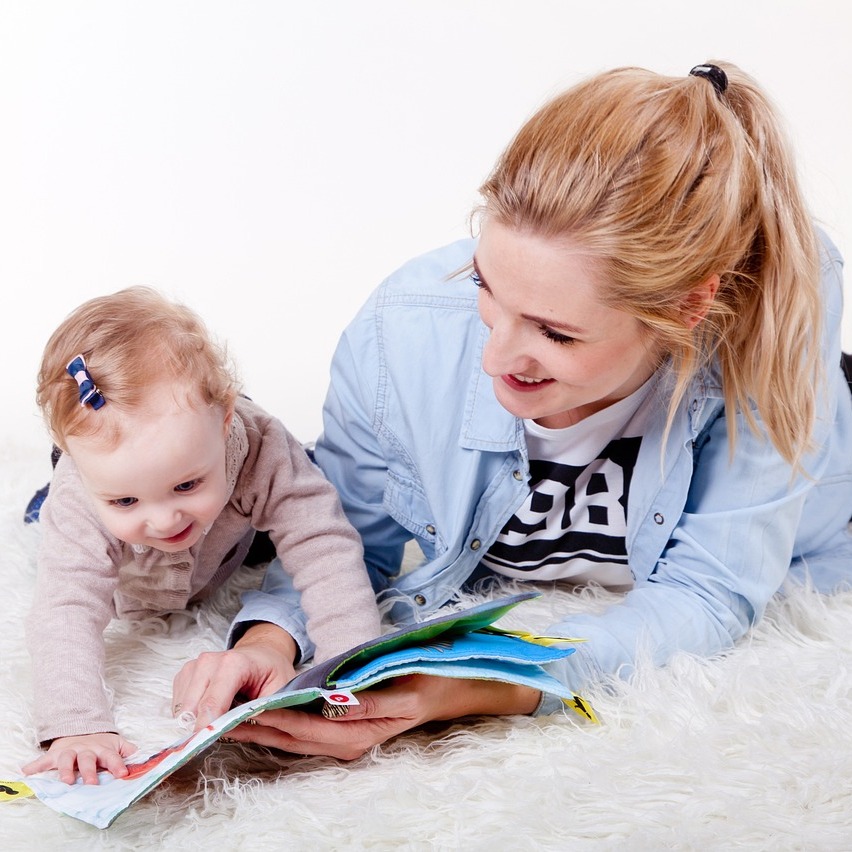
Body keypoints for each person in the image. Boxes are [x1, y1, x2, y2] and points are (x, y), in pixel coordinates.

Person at [172, 61, 852, 759]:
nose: (496, 358)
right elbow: (336, 530)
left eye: (555, 333)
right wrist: (268, 639)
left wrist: (481, 686)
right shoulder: (403, 334)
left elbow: (709, 596)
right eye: (485, 286)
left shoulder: (775, 326)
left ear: (689, 306)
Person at [22, 286, 382, 784]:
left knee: (309, 489)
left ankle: (237, 488)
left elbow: (323, 544)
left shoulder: (258, 443)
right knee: (54, 522)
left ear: (226, 418)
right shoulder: (80, 496)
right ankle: (50, 495)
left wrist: (356, 661)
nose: (166, 521)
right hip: (132, 566)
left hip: (226, 540)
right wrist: (76, 726)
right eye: (125, 500)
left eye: (185, 484)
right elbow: (65, 607)